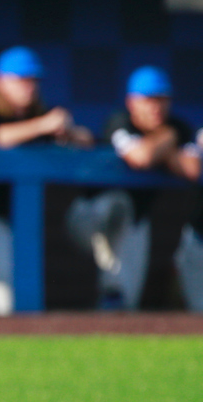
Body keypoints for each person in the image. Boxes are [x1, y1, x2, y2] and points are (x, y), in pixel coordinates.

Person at [0, 46, 92, 316]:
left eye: (32, 80)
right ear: (1, 81)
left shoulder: (39, 114)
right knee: (1, 305)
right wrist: (43, 125)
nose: (28, 87)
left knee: (19, 307)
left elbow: (87, 141)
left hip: (22, 225)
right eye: (21, 80)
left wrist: (68, 131)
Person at [68, 66, 198, 310]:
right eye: (148, 100)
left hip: (135, 222)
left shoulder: (177, 125)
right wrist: (167, 141)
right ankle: (110, 282)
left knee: (125, 302)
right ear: (131, 102)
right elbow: (141, 157)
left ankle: (112, 300)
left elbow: (192, 169)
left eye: (161, 99)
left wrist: (158, 146)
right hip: (90, 216)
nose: (155, 106)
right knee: (118, 205)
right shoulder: (120, 121)